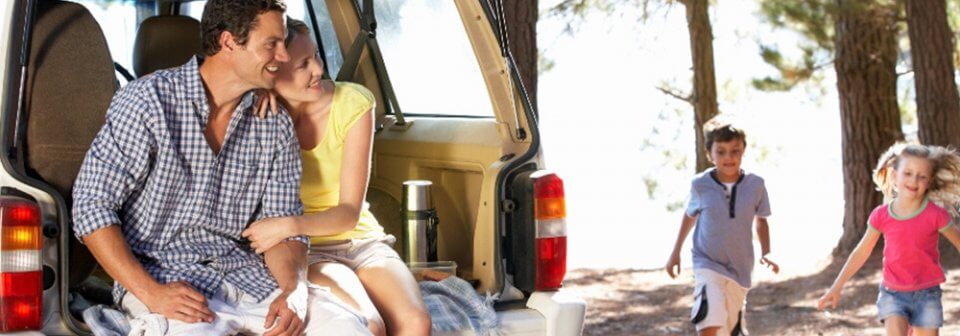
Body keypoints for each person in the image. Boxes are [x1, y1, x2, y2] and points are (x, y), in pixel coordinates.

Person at [72, 1, 370, 335]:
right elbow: (92, 207)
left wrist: (294, 290)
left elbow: (283, 229)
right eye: (271, 45)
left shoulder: (274, 123)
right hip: (167, 283)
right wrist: (150, 293)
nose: (283, 57)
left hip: (251, 279)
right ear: (229, 43)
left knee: (348, 328)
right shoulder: (147, 102)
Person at [240, 19, 432, 336]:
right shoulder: (255, 115)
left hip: (362, 241)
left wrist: (287, 224)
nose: (318, 69)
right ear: (271, 73)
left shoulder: (353, 103)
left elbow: (348, 213)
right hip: (306, 253)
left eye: (316, 56)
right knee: (368, 325)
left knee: (416, 322)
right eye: (303, 65)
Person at [817, 144, 960, 336]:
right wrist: (837, 286)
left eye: (922, 176)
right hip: (893, 293)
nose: (914, 180)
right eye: (907, 173)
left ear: (930, 181)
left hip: (927, 294)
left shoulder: (935, 215)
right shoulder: (881, 215)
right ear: (894, 175)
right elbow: (861, 252)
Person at [664, 118, 779, 336]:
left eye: (735, 150)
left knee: (731, 331)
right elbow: (689, 216)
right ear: (710, 154)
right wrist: (675, 252)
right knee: (708, 320)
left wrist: (767, 252)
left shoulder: (756, 185)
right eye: (721, 151)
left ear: (744, 150)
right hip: (707, 263)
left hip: (740, 269)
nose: (729, 157)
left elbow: (761, 220)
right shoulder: (700, 185)